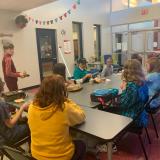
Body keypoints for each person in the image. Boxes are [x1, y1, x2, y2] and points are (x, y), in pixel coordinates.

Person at [28, 74, 86, 160]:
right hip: (60, 157)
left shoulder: (32, 107)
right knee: (81, 144)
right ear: (60, 91)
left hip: (36, 155)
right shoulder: (64, 107)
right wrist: (67, 100)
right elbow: (82, 116)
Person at [101, 59, 148, 127]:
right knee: (109, 106)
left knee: (104, 110)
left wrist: (123, 90)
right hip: (139, 112)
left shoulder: (131, 86)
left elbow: (123, 105)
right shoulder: (142, 81)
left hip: (131, 116)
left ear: (126, 71)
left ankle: (109, 131)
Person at [0, 77, 30, 146]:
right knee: (31, 125)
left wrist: (17, 113)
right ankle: (32, 151)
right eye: (2, 82)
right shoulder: (2, 104)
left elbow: (5, 119)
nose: (4, 84)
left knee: (24, 119)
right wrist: (21, 108)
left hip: (2, 133)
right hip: (8, 136)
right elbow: (10, 124)